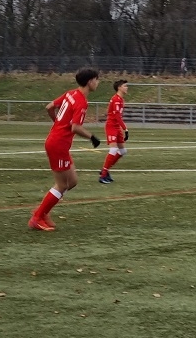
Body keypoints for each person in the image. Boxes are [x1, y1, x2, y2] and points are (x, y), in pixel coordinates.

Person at [29, 68, 102, 232]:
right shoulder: (81, 101)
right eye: (97, 79)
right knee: (62, 185)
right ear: (90, 81)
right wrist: (92, 137)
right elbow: (75, 127)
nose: (98, 82)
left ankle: (43, 212)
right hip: (58, 145)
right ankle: (38, 217)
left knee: (72, 181)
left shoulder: (70, 93)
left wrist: (58, 124)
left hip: (57, 142)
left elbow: (49, 107)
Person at [98, 79, 129, 184]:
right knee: (113, 149)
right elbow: (116, 116)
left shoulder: (121, 100)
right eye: (125, 86)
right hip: (111, 126)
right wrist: (125, 128)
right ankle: (103, 175)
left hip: (116, 127)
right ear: (119, 87)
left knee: (123, 151)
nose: (127, 88)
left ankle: (105, 170)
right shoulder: (115, 99)